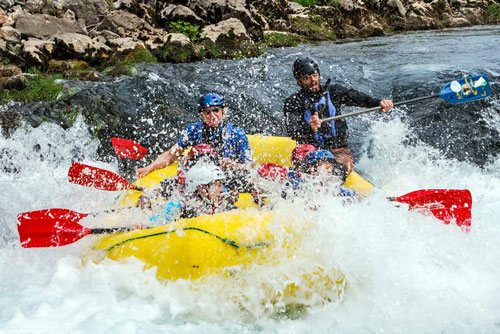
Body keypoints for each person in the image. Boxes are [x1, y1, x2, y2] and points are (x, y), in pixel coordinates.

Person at [283, 56, 394, 173]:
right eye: (306, 78)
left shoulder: (334, 92)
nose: (313, 80)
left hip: (338, 149)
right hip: (310, 150)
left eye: (314, 75)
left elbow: (358, 98)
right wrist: (310, 127)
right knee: (312, 167)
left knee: (336, 169)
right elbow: (292, 131)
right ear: (298, 81)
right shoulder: (292, 103)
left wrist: (378, 102)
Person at [136, 93, 252, 179]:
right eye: (207, 112)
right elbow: (171, 154)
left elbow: (249, 167)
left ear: (222, 111)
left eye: (216, 110)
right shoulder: (193, 131)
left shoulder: (236, 133)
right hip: (200, 175)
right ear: (202, 115)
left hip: (226, 176)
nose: (212, 115)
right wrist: (149, 168)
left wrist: (233, 165)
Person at [149, 161, 237, 223]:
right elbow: (155, 222)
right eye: (218, 185)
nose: (222, 190)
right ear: (202, 188)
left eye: (221, 185)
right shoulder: (182, 205)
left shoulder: (222, 206)